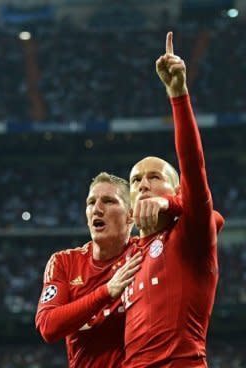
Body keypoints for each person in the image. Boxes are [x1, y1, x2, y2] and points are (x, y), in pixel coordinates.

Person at [122, 32, 224, 367]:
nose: (144, 185)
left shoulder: (189, 237)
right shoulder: (123, 258)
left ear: (176, 190)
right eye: (136, 180)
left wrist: (177, 94)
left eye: (155, 178)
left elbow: (194, 169)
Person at [36, 172, 152, 367]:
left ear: (131, 215)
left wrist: (166, 204)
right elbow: (48, 326)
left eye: (108, 201)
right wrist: (106, 292)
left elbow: (210, 222)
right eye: (91, 202)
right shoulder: (64, 262)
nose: (97, 209)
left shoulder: (145, 254)